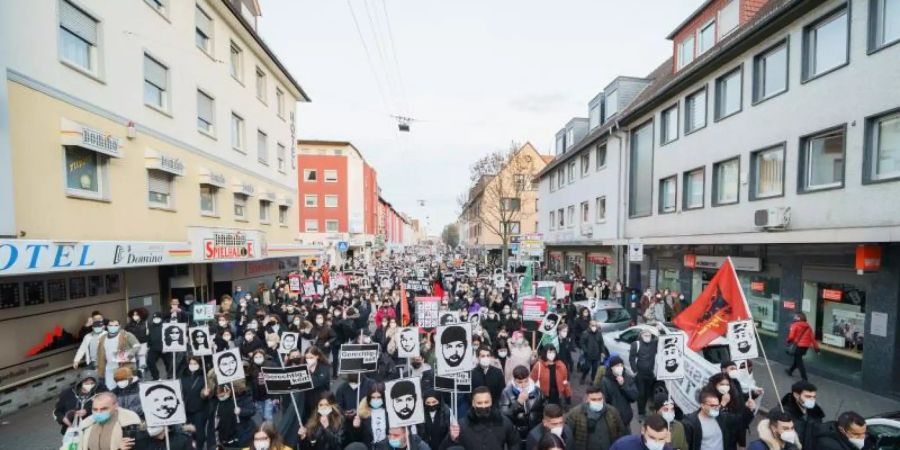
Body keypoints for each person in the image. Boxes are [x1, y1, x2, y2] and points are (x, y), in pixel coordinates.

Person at [440, 386, 520, 450]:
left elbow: (515, 442)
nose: (483, 406)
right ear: (473, 403)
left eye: (486, 402)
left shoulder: (503, 421)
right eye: (479, 403)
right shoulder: (462, 425)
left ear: (491, 402)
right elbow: (443, 448)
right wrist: (451, 438)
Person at [74, 392, 142, 450]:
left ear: (115, 406)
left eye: (104, 409)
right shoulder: (86, 425)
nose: (98, 412)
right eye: (95, 409)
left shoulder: (129, 422)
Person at [501, 365, 546, 448]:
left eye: (526, 381)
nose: (523, 385)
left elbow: (545, 410)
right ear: (514, 380)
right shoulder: (507, 393)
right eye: (520, 382)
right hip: (517, 435)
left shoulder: (537, 391)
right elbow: (504, 416)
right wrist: (518, 403)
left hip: (535, 433)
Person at [208, 383, 257, 449]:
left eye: (223, 392)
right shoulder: (216, 404)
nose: (220, 395)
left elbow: (252, 410)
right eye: (218, 393)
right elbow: (214, 423)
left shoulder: (241, 398)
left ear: (230, 391)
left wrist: (241, 411)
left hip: (241, 437)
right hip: (224, 440)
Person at [54, 370, 103, 434]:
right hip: (70, 431)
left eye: (92, 383)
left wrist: (87, 411)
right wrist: (64, 420)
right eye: (86, 383)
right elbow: (57, 412)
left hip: (90, 431)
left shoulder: (97, 394)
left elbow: (102, 411)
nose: (89, 385)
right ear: (80, 382)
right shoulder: (67, 393)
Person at [96, 319, 141, 390]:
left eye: (116, 325)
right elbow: (99, 353)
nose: (113, 327)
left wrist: (127, 354)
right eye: (110, 325)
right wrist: (98, 366)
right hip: (109, 367)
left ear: (119, 326)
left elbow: (137, 346)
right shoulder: (103, 338)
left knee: (125, 387)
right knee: (110, 389)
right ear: (107, 326)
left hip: (123, 366)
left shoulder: (126, 335)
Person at [781, 381, 825, 450]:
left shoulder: (816, 413)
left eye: (814, 397)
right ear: (796, 395)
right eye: (808, 396)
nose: (812, 400)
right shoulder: (783, 414)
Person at [598, 356, 638, 428]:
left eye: (621, 365)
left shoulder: (628, 378)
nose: (620, 368)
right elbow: (603, 401)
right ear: (611, 367)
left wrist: (623, 385)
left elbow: (634, 396)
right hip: (612, 420)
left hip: (626, 418)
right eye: (617, 366)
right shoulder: (605, 381)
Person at [181, 356, 210, 450]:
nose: (192, 365)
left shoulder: (204, 377)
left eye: (195, 363)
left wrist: (205, 394)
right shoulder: (183, 375)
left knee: (199, 434)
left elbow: (206, 392)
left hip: (200, 409)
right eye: (191, 363)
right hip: (187, 409)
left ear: (200, 365)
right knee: (189, 432)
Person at [629, 329, 658, 421]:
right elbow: (631, 358)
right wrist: (635, 371)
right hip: (640, 374)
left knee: (647, 394)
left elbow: (662, 339)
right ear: (641, 335)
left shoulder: (654, 344)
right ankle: (641, 413)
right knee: (641, 394)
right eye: (645, 335)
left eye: (649, 335)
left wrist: (659, 329)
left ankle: (644, 409)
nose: (647, 337)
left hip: (650, 373)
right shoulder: (636, 344)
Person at [609, 414, 674, 450]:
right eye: (652, 437)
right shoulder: (623, 445)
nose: (656, 443)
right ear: (643, 430)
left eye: (661, 439)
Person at [786, 313, 820, 381]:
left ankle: (804, 378)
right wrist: (817, 349)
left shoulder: (794, 325)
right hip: (805, 347)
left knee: (799, 362)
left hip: (798, 346)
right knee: (797, 360)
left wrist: (788, 340)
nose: (794, 317)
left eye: (796, 316)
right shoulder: (808, 327)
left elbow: (791, 336)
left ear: (799, 318)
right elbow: (813, 339)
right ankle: (790, 371)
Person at [303, 346, 332, 422]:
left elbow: (317, 382)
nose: (308, 360)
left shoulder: (324, 368)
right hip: (307, 400)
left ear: (317, 356)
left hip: (321, 399)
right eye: (307, 358)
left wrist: (307, 373)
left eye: (311, 357)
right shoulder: (303, 367)